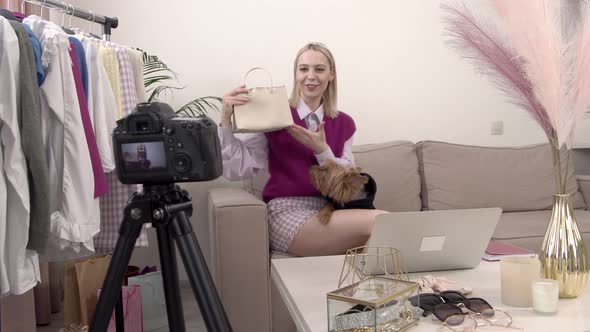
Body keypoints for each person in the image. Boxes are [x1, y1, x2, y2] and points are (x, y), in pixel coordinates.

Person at [218, 42, 387, 256]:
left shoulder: (344, 123)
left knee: (382, 239)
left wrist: (322, 150)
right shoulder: (275, 113)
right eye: (304, 69)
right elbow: (238, 170)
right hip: (286, 211)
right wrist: (225, 119)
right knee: (384, 222)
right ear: (295, 73)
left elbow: (349, 187)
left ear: (331, 74)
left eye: (319, 69)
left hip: (330, 210)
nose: (311, 76)